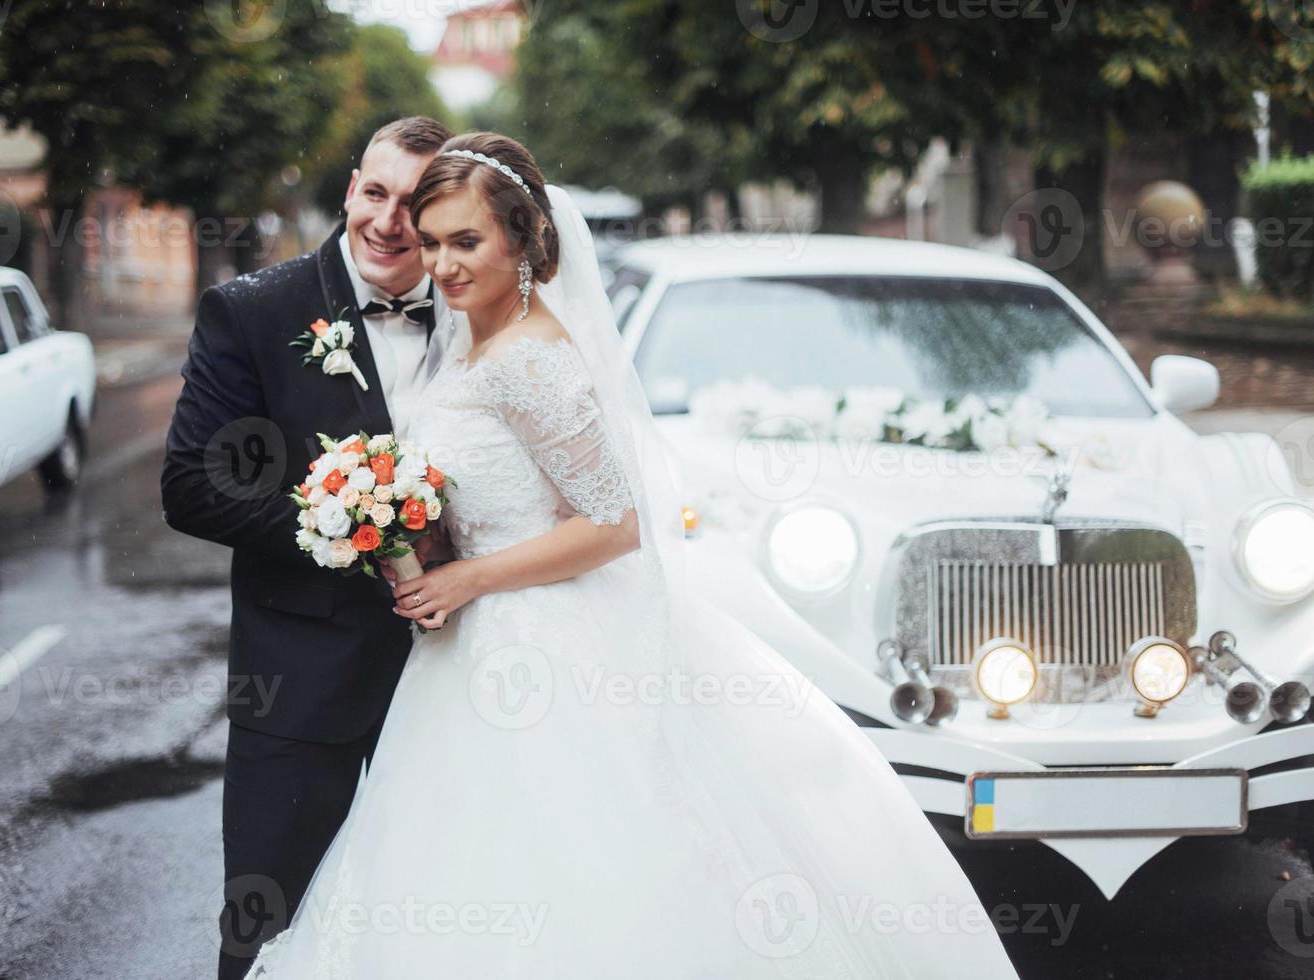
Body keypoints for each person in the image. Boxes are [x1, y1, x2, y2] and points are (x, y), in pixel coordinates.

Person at [242, 131, 1021, 978]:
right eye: (432, 243)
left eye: (465, 241)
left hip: (539, 641)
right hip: (469, 652)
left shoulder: (531, 358)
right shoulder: (471, 339)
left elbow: (611, 526)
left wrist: (467, 574)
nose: (443, 264)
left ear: (523, 238)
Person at [159, 116, 457, 980]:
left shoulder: (480, 310)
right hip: (299, 675)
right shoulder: (254, 311)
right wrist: (350, 527)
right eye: (375, 192)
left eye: (417, 201)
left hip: (459, 676)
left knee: (444, 921)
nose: (389, 221)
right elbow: (192, 485)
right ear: (349, 191)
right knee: (267, 930)